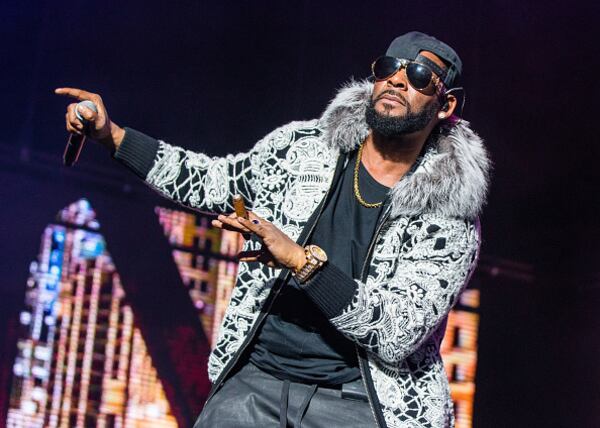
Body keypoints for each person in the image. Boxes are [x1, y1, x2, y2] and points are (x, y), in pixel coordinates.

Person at [57, 31, 490, 428]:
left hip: (359, 403)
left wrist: (301, 261)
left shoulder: (448, 218)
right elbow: (214, 183)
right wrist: (113, 137)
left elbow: (397, 333)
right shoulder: (301, 149)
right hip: (256, 384)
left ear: (446, 104)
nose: (397, 80)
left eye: (418, 75)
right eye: (387, 68)